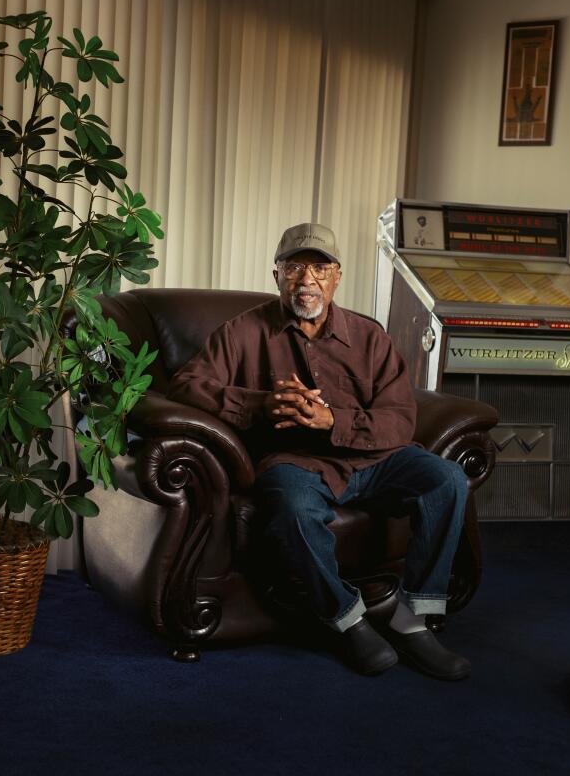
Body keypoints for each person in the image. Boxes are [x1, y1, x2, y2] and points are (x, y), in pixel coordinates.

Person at [167, 222, 471, 680]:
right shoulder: (242, 332)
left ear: (337, 276)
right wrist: (260, 404)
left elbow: (399, 418)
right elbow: (186, 386)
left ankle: (412, 623)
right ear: (277, 276)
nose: (307, 279)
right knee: (291, 509)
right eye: (294, 267)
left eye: (319, 267)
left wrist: (335, 421)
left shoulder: (370, 337)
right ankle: (348, 621)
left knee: (445, 479)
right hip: (294, 463)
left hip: (372, 458)